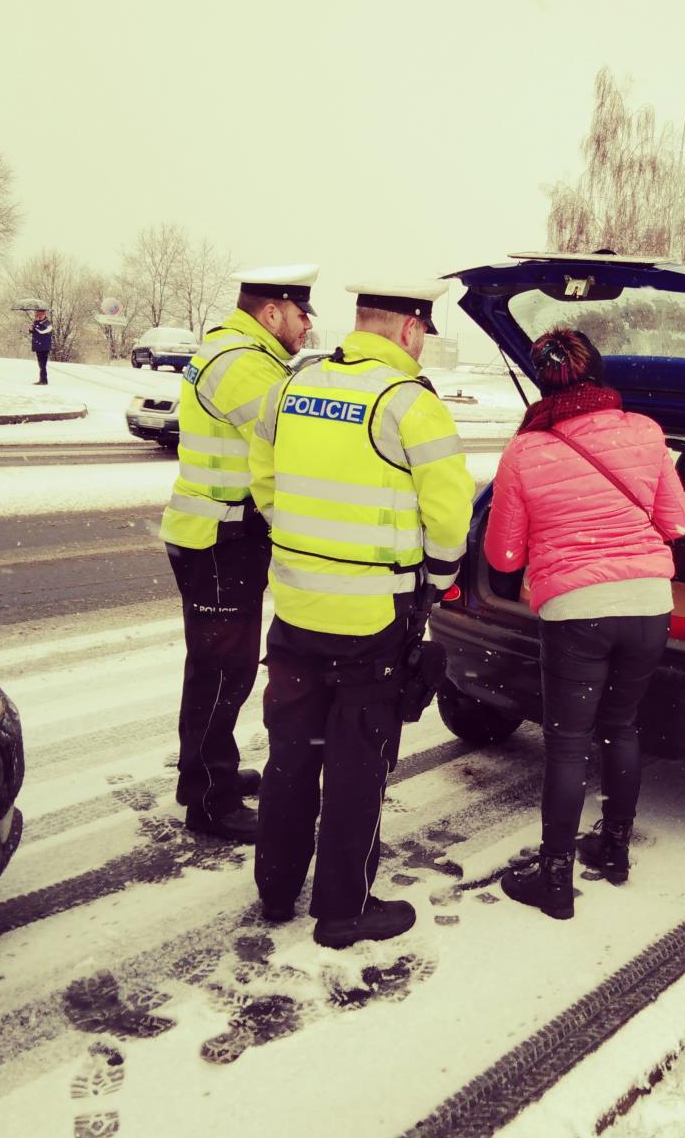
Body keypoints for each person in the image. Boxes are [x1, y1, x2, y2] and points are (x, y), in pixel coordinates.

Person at [250, 280, 472, 948]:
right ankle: (344, 911)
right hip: (374, 619)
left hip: (294, 607)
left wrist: (301, 541)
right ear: (410, 330)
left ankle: (277, 888)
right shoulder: (410, 405)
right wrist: (439, 577)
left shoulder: (292, 387)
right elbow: (450, 513)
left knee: (291, 752)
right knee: (358, 764)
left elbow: (264, 478)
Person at [486, 328, 685, 919]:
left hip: (576, 611)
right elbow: (676, 523)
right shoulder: (646, 433)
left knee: (567, 742)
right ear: (597, 373)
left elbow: (502, 557)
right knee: (622, 727)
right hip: (650, 604)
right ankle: (615, 849)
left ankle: (554, 880)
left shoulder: (526, 450)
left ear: (543, 381)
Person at [158, 263, 319, 842]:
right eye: (302, 316)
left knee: (215, 669)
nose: (307, 328)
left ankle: (203, 772)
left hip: (217, 535)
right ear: (272, 312)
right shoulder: (242, 364)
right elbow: (294, 435)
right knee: (221, 674)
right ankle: (209, 800)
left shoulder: (238, 353)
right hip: (220, 541)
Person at [29, 309, 54, 384]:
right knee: (40, 364)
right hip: (38, 346)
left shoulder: (47, 323)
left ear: (44, 314)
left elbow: (42, 331)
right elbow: (34, 332)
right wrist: (31, 328)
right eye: (37, 315)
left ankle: (44, 380)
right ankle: (42, 380)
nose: (39, 316)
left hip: (44, 347)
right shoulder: (36, 322)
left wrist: (36, 325)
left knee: (43, 364)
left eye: (40, 315)